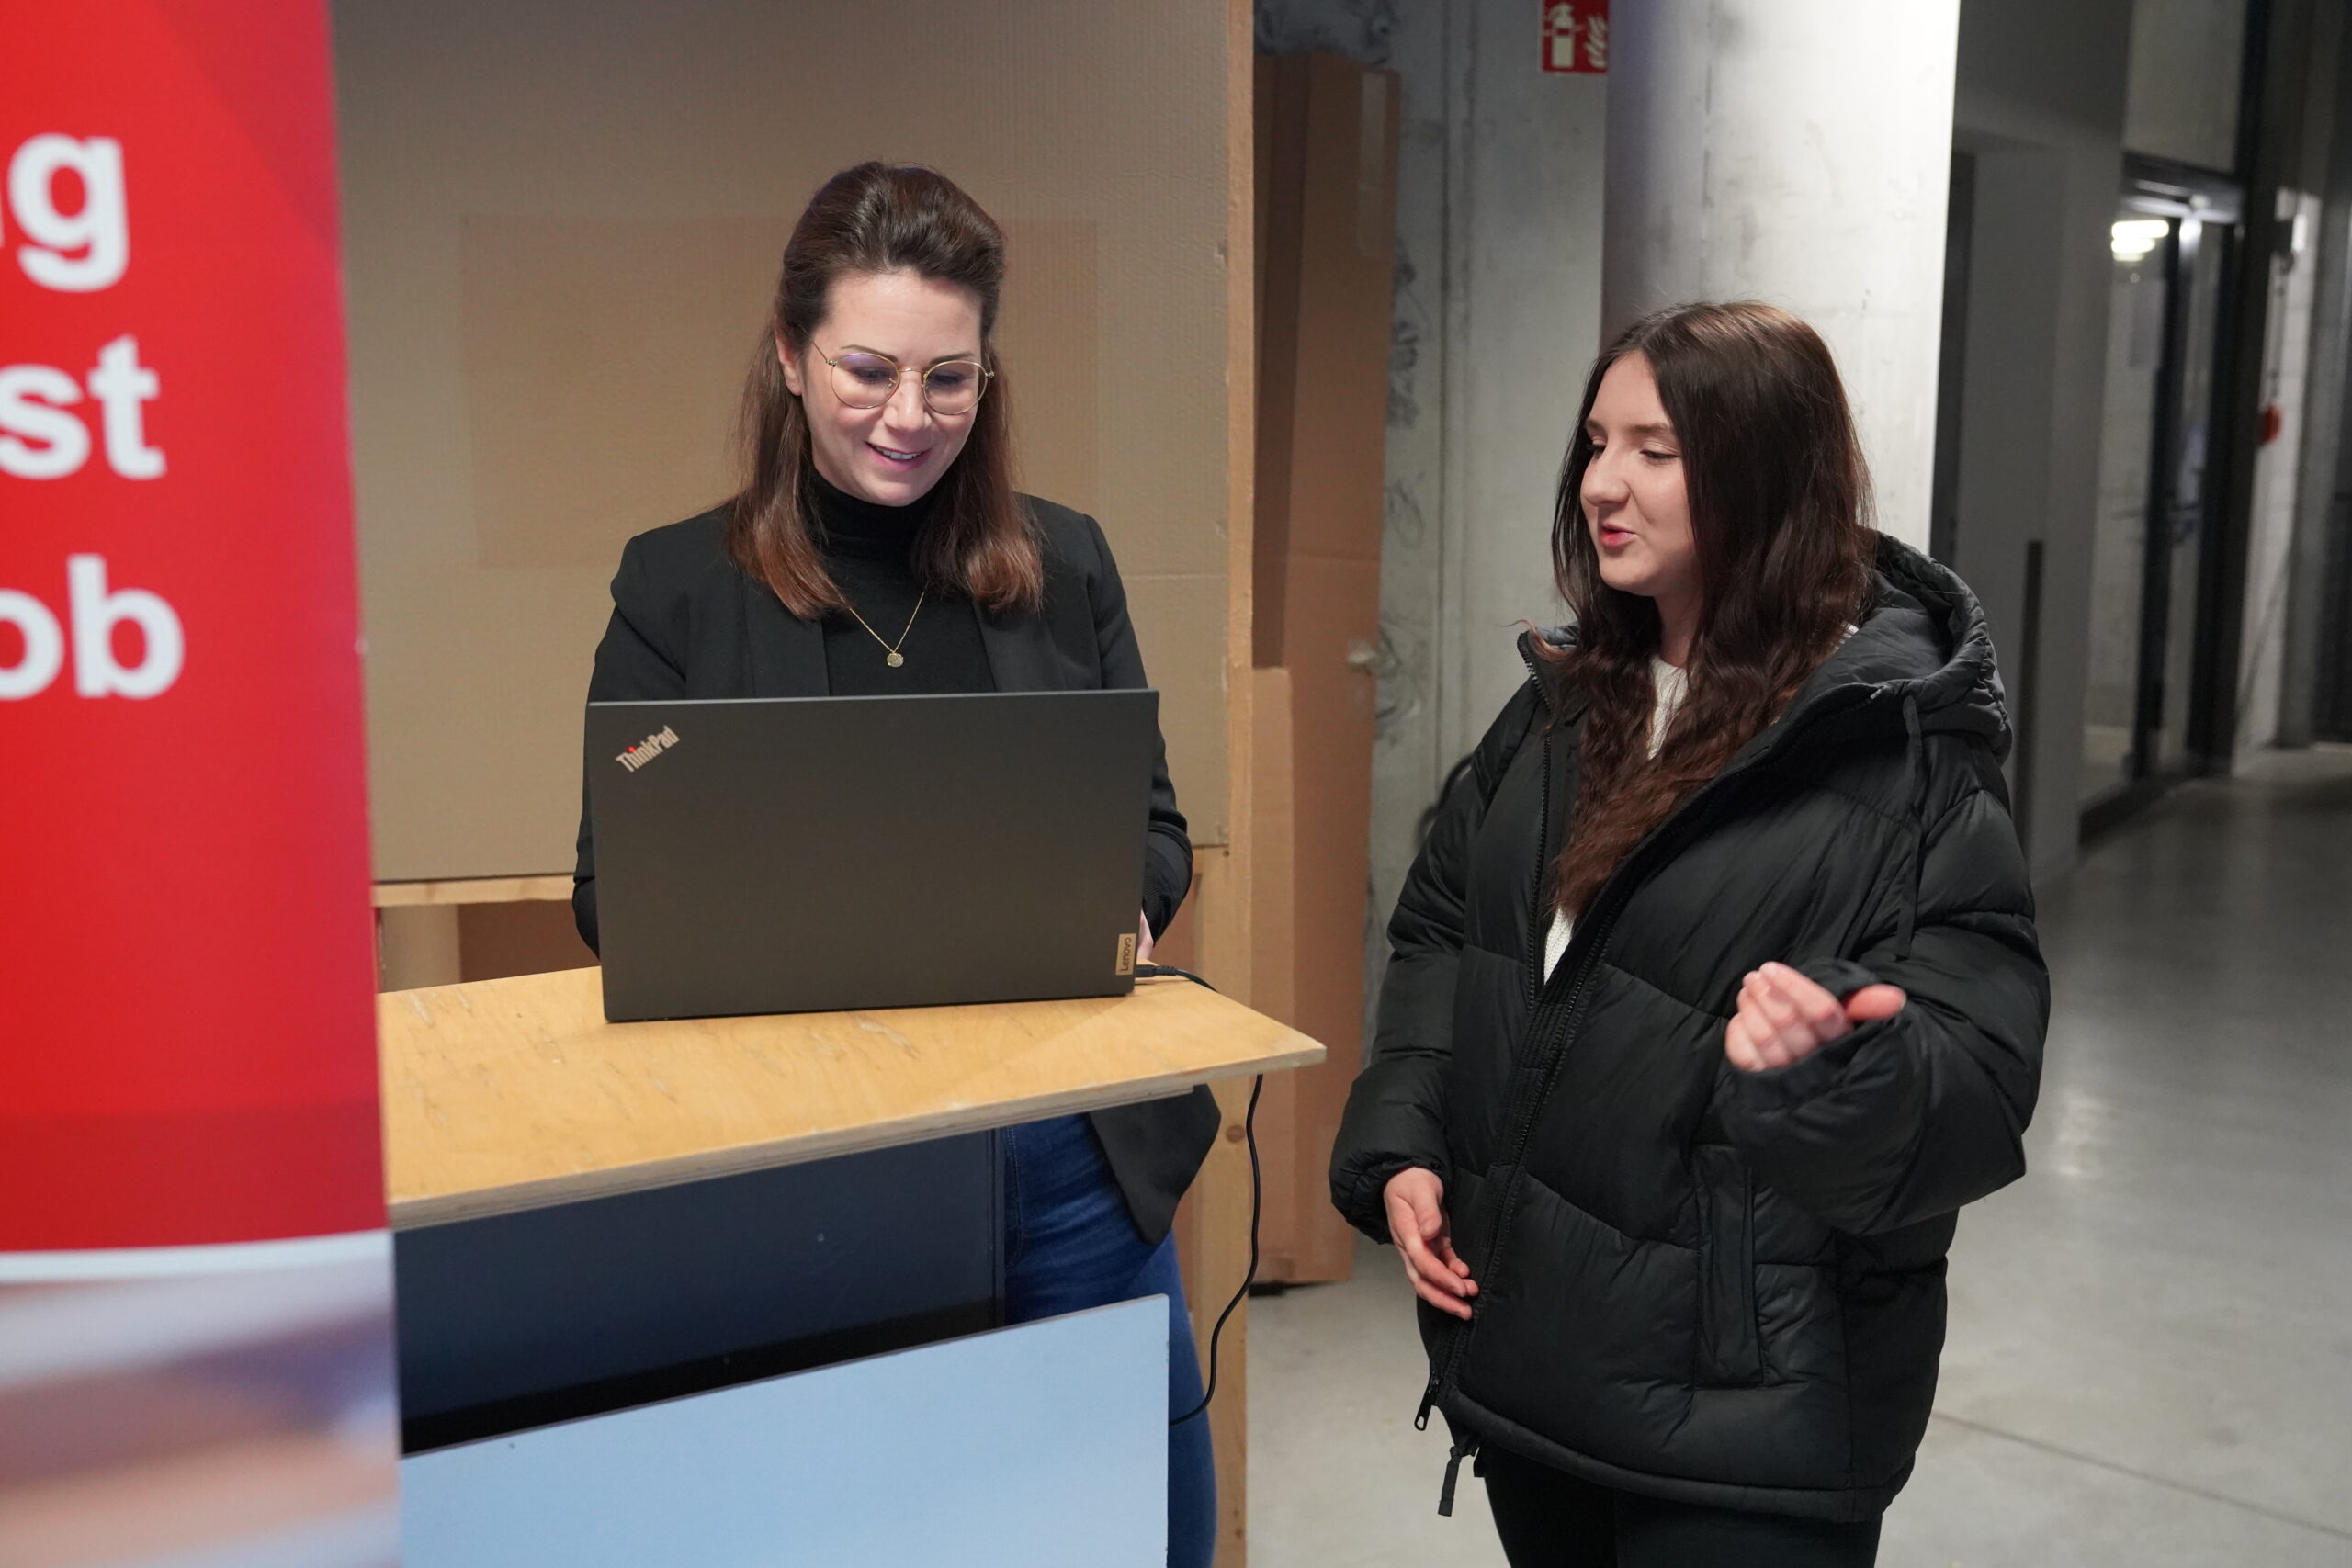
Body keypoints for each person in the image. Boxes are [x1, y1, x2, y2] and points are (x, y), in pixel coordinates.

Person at [571, 162, 1220, 1566]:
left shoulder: (1069, 565)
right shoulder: (678, 589)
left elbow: (1155, 829)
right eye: (868, 371)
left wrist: (1130, 895)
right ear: (790, 360)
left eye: (952, 378)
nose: (910, 417)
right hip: (808, 1168)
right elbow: (611, 894)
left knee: (1131, 1527)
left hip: (1065, 1157)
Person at [1329, 301, 2048, 1566]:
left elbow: (1979, 1086)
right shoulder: (1567, 703)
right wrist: (1406, 1139)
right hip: (1537, 1363)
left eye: (1655, 451)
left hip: (1749, 1417)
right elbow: (1449, 929)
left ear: (1768, 469)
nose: (1604, 483)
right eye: (1598, 442)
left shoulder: (1902, 747)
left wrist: (1840, 1071)